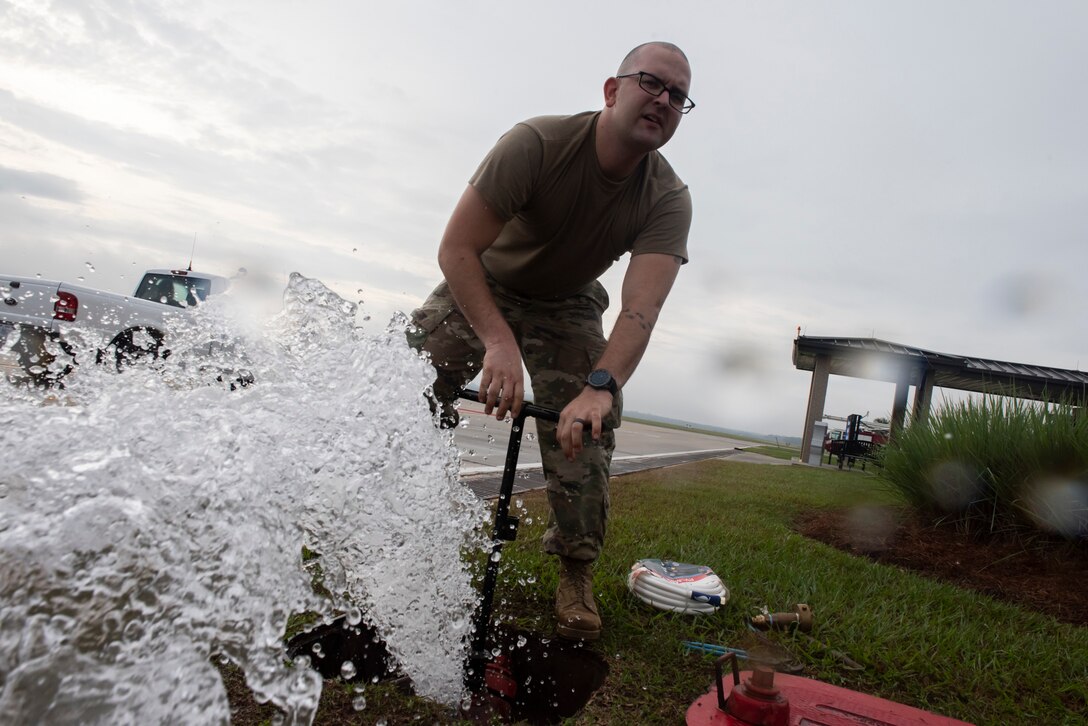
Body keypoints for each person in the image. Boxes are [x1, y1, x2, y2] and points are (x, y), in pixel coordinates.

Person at [408, 41, 694, 641]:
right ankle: (400, 515)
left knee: (591, 424)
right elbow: (456, 249)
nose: (663, 100)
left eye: (677, 96)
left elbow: (641, 311)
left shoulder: (667, 198)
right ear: (613, 90)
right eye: (651, 83)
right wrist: (498, 341)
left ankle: (576, 569)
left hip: (568, 304)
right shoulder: (536, 143)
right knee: (400, 375)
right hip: (486, 283)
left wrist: (600, 387)